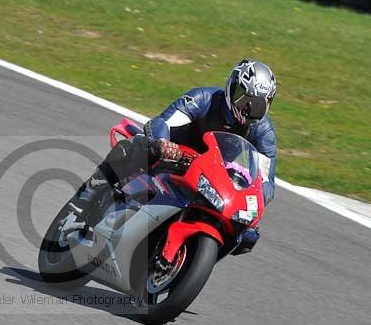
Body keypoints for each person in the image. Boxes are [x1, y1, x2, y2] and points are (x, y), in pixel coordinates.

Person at [70, 59, 278, 255]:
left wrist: (252, 205)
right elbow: (163, 121)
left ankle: (183, 258)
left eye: (257, 104)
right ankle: (86, 196)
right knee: (134, 147)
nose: (248, 108)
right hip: (172, 157)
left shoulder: (264, 132)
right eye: (244, 98)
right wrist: (162, 143)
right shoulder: (204, 98)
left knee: (247, 234)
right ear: (231, 87)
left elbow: (266, 183)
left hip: (212, 178)